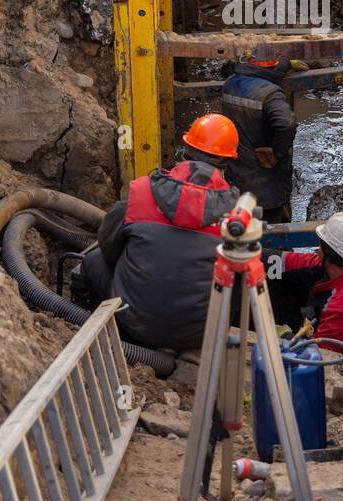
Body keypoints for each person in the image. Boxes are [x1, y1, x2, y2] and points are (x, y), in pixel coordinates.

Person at [77, 114, 240, 352]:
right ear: (228, 162)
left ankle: (108, 337)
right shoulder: (237, 214)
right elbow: (241, 275)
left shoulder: (140, 191)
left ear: (186, 150)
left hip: (133, 324)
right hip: (201, 334)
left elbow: (109, 247)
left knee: (93, 261)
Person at [268, 210, 343, 354]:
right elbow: (291, 263)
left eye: (321, 245)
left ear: (327, 252)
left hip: (342, 356)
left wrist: (285, 336)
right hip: (324, 324)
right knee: (289, 279)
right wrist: (255, 256)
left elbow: (321, 357)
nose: (317, 249)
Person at [220, 58, 297, 221]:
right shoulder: (270, 94)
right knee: (271, 234)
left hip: (236, 179)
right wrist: (278, 154)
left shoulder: (230, 83)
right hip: (266, 187)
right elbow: (286, 123)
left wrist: (288, 64)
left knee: (241, 229)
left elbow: (261, 71)